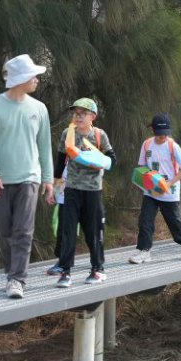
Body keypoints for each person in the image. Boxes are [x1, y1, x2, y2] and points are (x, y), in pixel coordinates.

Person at [0, 54, 54, 299]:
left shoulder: (39, 108)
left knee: (23, 229)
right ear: (20, 78)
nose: (37, 80)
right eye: (33, 75)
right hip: (0, 179)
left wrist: (48, 179)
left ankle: (17, 278)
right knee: (5, 231)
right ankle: (11, 272)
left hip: (29, 178)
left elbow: (44, 147)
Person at [54, 98, 117, 288]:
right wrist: (55, 186)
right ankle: (65, 272)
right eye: (76, 113)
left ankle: (97, 268)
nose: (78, 116)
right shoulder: (68, 133)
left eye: (83, 113)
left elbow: (112, 160)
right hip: (71, 190)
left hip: (93, 191)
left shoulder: (99, 135)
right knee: (68, 231)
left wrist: (98, 160)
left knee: (93, 231)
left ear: (93, 117)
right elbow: (60, 161)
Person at [127, 113, 181, 264]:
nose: (162, 137)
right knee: (145, 220)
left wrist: (169, 184)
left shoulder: (173, 147)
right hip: (150, 190)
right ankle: (144, 251)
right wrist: (146, 179)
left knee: (175, 221)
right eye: (159, 134)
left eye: (165, 134)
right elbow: (142, 166)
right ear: (153, 130)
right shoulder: (147, 144)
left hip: (169, 191)